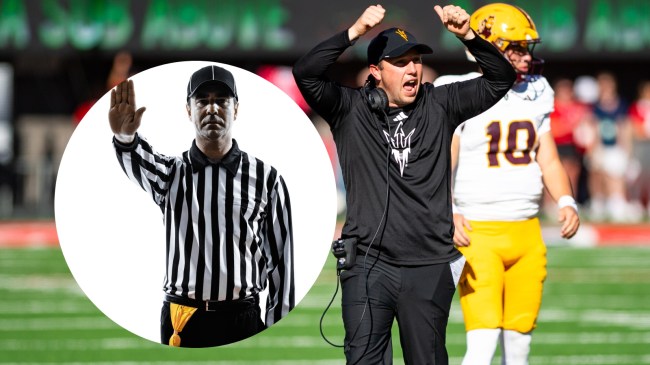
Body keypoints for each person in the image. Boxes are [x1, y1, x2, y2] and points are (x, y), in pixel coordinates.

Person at [293, 4, 516, 364]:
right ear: (375, 72)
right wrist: (354, 32)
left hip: (428, 266)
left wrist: (468, 37)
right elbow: (306, 72)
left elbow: (501, 78)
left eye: (416, 60)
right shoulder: (349, 109)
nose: (413, 68)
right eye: (400, 62)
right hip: (366, 264)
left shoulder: (441, 103)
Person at [108, 65, 295, 347]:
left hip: (243, 316)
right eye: (202, 101)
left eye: (221, 101)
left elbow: (281, 265)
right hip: (183, 319)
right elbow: (139, 160)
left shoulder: (267, 179)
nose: (212, 109)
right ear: (188, 110)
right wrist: (125, 137)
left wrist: (275, 333)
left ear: (235, 109)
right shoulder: (171, 173)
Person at [439, 4, 581, 364]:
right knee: (482, 342)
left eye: (524, 48)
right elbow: (444, 160)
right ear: (487, 44)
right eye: (515, 47)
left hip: (527, 232)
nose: (523, 56)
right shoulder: (457, 89)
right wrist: (448, 210)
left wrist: (566, 199)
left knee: (519, 347)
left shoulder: (537, 90)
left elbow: (546, 156)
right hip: (478, 231)